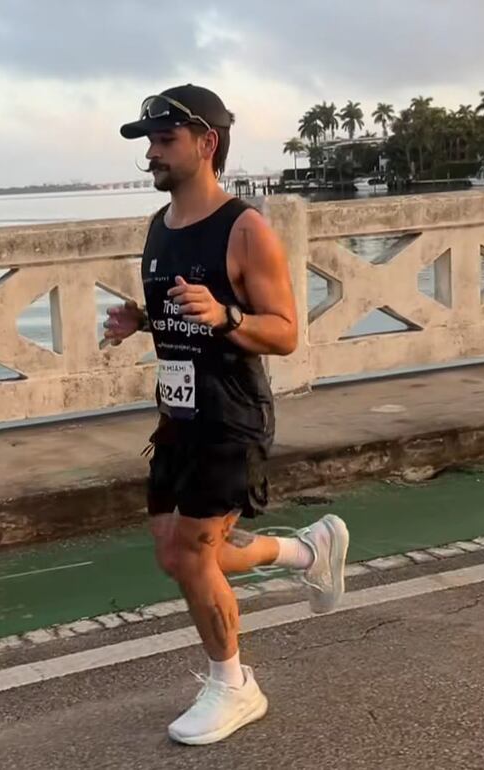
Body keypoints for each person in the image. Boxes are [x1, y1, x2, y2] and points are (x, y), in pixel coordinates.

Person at [105, 84, 350, 746]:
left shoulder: (245, 228)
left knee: (192, 556)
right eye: (149, 143)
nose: (151, 156)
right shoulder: (160, 227)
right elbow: (183, 311)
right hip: (177, 415)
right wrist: (142, 319)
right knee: (176, 552)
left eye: (164, 141)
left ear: (206, 143)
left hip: (231, 415)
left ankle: (234, 686)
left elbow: (285, 331)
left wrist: (228, 316)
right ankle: (307, 550)